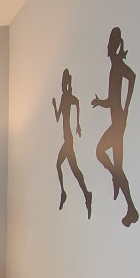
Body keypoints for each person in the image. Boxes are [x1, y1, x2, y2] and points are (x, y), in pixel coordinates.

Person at [92, 27, 138, 226]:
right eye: (109, 42)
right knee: (117, 166)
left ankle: (116, 179)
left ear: (115, 45)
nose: (108, 46)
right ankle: (131, 209)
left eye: (112, 42)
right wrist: (99, 102)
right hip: (117, 121)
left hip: (119, 122)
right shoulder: (115, 66)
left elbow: (132, 77)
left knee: (100, 152)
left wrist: (126, 107)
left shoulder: (118, 65)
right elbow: (112, 100)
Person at [53, 69, 92, 218]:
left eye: (64, 83)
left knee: (62, 166)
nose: (63, 85)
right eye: (62, 83)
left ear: (67, 83)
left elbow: (77, 103)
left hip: (68, 139)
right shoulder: (64, 97)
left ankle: (68, 193)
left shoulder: (68, 97)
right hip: (66, 138)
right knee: (74, 170)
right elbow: (58, 117)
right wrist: (54, 106)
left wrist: (78, 124)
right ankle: (85, 194)